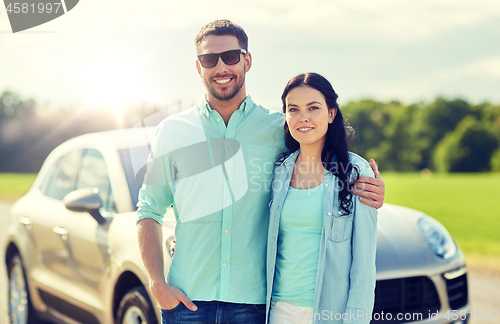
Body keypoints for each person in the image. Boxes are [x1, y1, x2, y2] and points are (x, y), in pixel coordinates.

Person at [136, 20, 384, 324]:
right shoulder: (172, 132)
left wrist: (366, 184)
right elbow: (149, 209)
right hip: (187, 301)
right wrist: (157, 283)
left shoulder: (278, 129)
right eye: (209, 59)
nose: (221, 67)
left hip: (255, 307)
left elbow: (321, 152)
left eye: (230, 56)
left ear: (246, 60)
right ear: (198, 67)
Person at [266, 73, 377, 324]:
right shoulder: (278, 171)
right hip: (276, 312)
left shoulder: (356, 173)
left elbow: (364, 265)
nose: (303, 117)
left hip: (329, 315)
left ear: (331, 114)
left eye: (313, 108)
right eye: (293, 109)